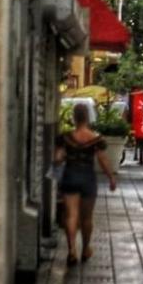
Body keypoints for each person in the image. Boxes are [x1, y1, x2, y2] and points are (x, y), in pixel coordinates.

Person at [54, 103, 118, 265]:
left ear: (74, 118)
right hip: (87, 178)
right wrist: (111, 177)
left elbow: (58, 158)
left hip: (70, 176)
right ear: (88, 118)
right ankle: (86, 249)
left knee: (71, 215)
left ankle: (71, 251)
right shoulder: (96, 139)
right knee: (87, 218)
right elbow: (103, 160)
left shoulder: (65, 137)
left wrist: (61, 159)